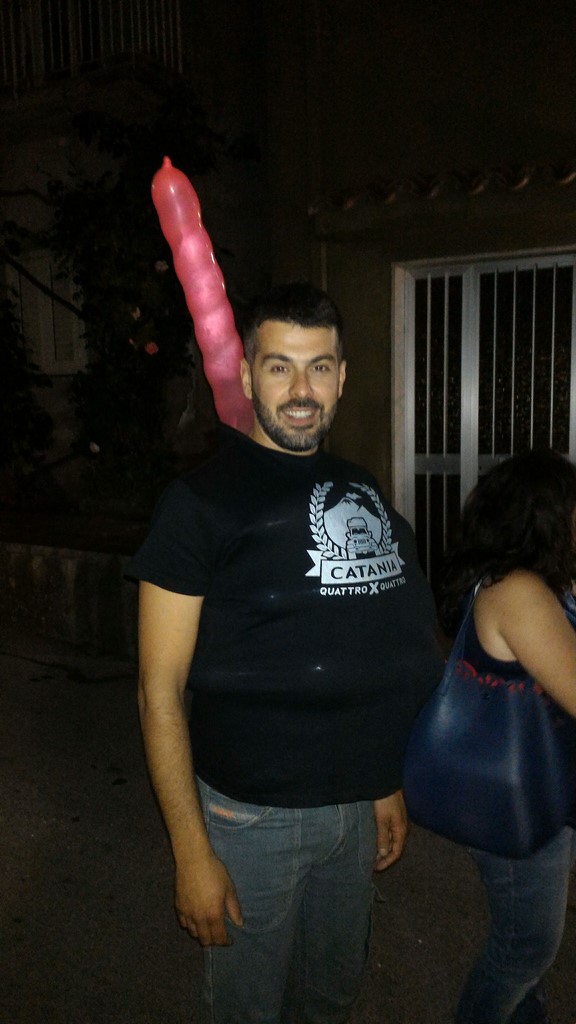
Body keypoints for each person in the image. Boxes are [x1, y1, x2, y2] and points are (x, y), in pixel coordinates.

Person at [128, 281, 442, 1024]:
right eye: (280, 367)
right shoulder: (199, 505)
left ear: (342, 376)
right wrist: (191, 853)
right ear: (246, 376)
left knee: (330, 995)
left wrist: (382, 782)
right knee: (248, 1009)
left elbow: (373, 644)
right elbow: (158, 690)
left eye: (319, 367)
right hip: (250, 817)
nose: (302, 391)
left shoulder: (360, 488)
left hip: (352, 807)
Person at [435, 449, 576, 1024]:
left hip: (537, 781)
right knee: (524, 949)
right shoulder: (519, 593)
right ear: (545, 516)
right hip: (516, 801)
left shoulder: (537, 582)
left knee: (527, 949)